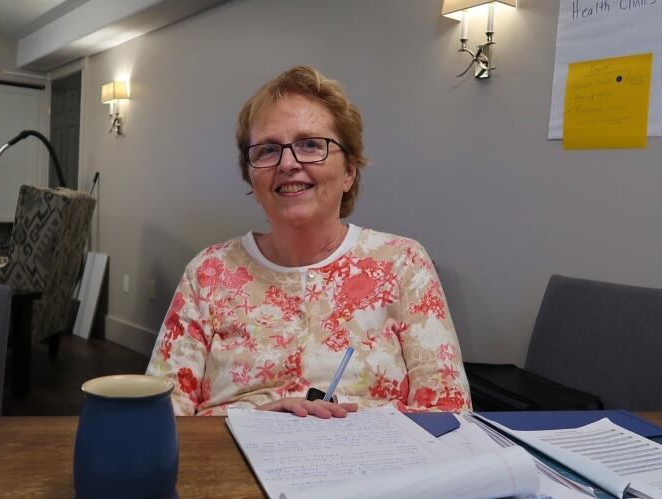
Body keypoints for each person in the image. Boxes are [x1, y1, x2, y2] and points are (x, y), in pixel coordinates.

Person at [146, 65, 471, 418]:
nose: (287, 163)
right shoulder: (208, 273)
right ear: (250, 176)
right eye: (267, 150)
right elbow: (163, 416)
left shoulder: (404, 264)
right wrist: (259, 424)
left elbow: (449, 412)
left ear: (349, 171)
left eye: (311, 145)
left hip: (372, 468)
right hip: (231, 464)